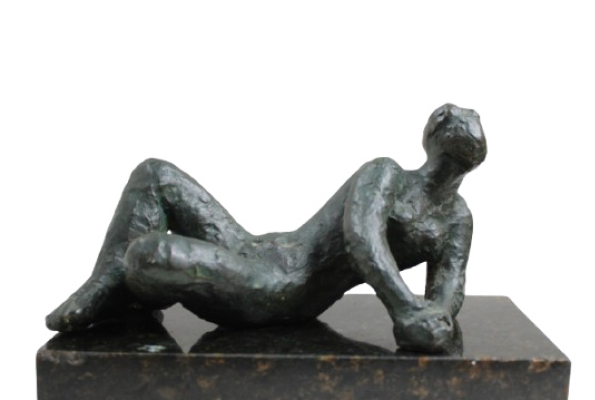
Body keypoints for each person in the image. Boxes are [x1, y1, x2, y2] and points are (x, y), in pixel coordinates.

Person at [46, 103, 486, 352]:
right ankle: (106, 284)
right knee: (154, 173)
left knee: (148, 255)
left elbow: (448, 290)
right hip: (257, 249)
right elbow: (362, 236)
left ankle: (133, 288)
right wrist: (405, 308)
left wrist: (435, 318)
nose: (449, 114)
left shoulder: (457, 219)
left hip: (280, 287)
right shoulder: (386, 173)